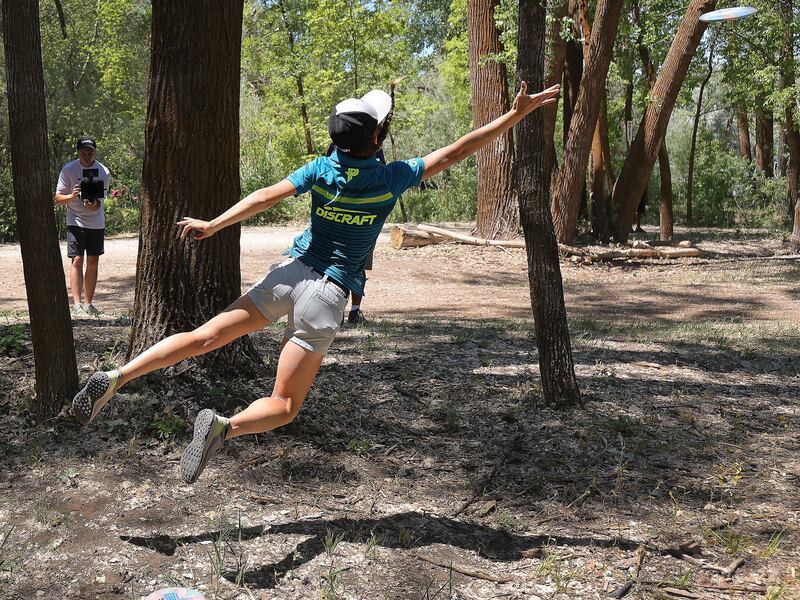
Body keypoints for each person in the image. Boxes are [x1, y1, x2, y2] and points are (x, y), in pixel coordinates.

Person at [70, 81, 560, 484]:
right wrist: (514, 115)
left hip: (289, 275)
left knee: (204, 337)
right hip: (326, 295)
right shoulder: (391, 177)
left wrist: (215, 224)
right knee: (284, 405)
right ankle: (223, 427)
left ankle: (119, 376)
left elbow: (264, 196)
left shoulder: (321, 170)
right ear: (374, 141)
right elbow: (459, 150)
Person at [324, 142, 387, 325]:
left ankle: (355, 311)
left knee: (359, 266)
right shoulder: (335, 146)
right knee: (335, 264)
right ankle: (337, 310)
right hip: (338, 217)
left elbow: (381, 174)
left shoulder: (375, 147)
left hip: (365, 218)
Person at [54, 136, 111, 317]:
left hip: (95, 221)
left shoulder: (103, 172)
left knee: (93, 260)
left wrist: (91, 204)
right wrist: (72, 196)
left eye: (90, 152)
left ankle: (88, 303)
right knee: (77, 259)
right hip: (75, 219)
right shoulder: (69, 169)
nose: (86, 156)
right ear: (78, 152)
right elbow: (58, 199)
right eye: (83, 152)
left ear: (95, 152)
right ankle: (77, 304)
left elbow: (99, 204)